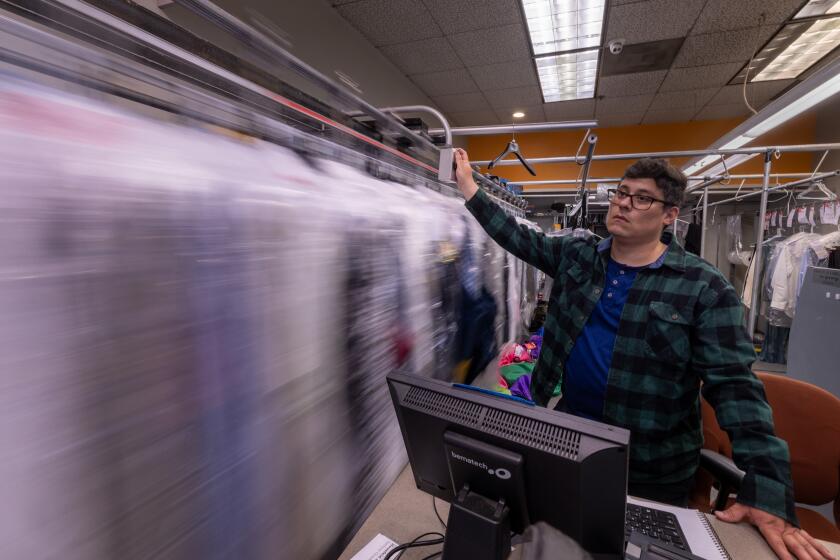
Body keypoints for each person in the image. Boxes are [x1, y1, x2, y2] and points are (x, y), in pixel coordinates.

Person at [453, 148, 834, 560]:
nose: (623, 204)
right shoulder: (577, 257)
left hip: (650, 465)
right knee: (551, 543)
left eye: (641, 198)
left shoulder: (702, 288)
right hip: (566, 440)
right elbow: (516, 236)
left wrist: (768, 491)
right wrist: (470, 187)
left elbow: (737, 390)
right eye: (621, 193)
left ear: (669, 214)